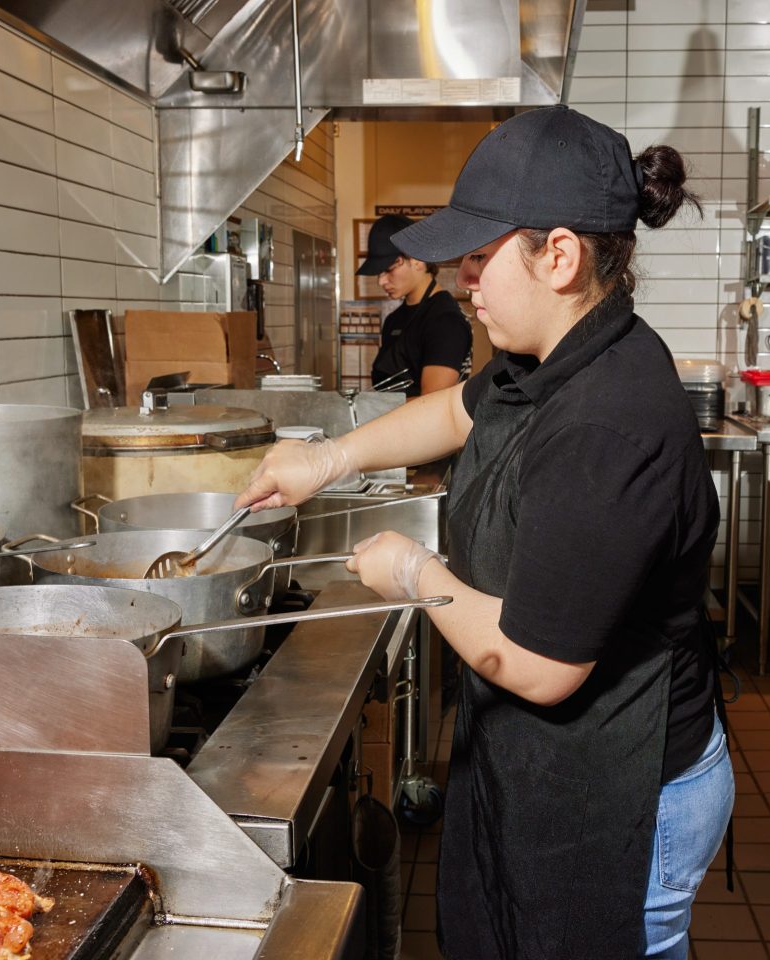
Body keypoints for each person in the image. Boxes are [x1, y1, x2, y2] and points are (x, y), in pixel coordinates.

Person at [236, 105, 732, 959]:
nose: (465, 281)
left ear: (562, 255)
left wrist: (414, 573)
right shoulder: (549, 353)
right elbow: (457, 412)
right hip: (561, 760)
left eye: (478, 258)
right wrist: (323, 462)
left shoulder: (608, 420)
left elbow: (540, 667)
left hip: (626, 783)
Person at [358, 214, 472, 397]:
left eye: (388, 269)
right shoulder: (393, 320)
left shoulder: (445, 321)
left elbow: (432, 405)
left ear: (417, 260)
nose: (381, 281)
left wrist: (370, 408)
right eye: (378, 273)